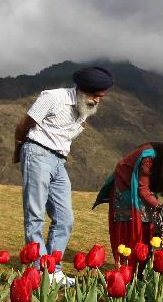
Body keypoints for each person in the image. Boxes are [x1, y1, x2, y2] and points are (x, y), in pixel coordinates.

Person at [12, 66, 114, 286]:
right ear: (83, 89)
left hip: (59, 161)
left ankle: (53, 269)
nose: (97, 101)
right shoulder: (53, 98)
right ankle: (39, 270)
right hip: (37, 151)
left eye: (100, 97)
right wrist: (18, 150)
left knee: (65, 218)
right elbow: (24, 124)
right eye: (95, 96)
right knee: (35, 214)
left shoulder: (83, 108)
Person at [93, 136, 163, 267]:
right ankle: (128, 266)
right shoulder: (148, 158)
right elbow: (143, 190)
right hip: (126, 187)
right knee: (131, 223)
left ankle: (143, 264)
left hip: (144, 187)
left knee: (149, 220)